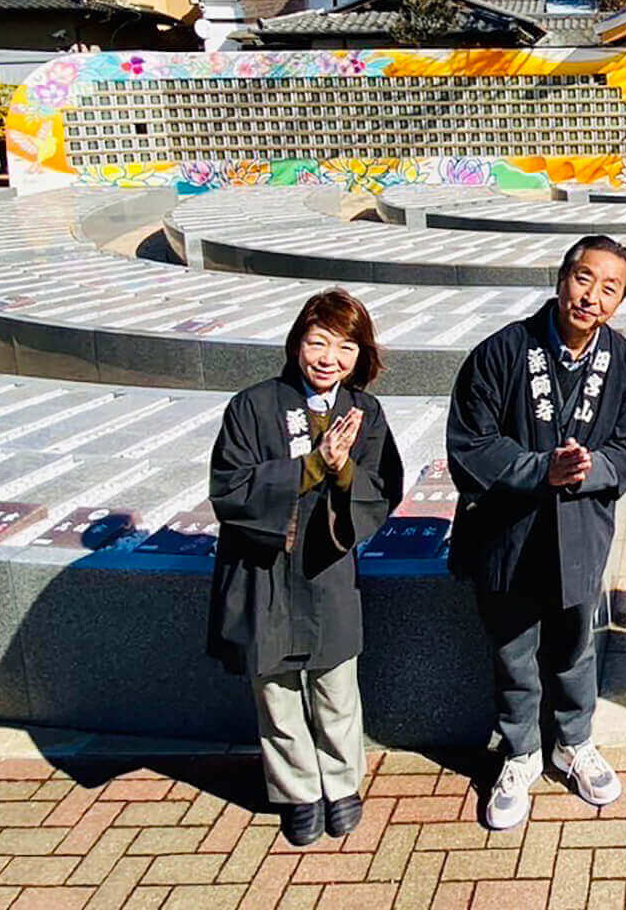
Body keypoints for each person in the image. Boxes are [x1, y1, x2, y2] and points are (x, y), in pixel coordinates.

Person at [447, 235, 626, 831]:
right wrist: (543, 469)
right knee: (514, 652)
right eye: (583, 279)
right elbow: (471, 444)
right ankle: (519, 755)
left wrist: (596, 470)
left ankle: (573, 743)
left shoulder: (623, 363)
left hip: (580, 532)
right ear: (562, 279)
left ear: (620, 301)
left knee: (573, 647)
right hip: (508, 534)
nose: (591, 297)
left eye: (609, 288)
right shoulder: (500, 353)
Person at [208, 288, 403, 846]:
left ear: (360, 355)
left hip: (327, 569)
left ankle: (341, 785)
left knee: (336, 685)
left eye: (345, 347)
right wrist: (311, 466)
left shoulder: (364, 413)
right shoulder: (253, 406)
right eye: (318, 342)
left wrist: (343, 474)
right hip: (263, 569)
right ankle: (297, 792)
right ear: (297, 343)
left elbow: (381, 488)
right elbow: (229, 488)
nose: (329, 358)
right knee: (276, 691)